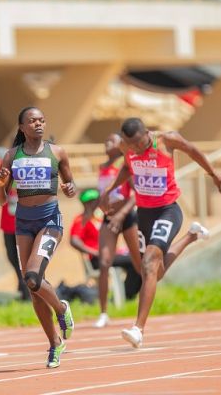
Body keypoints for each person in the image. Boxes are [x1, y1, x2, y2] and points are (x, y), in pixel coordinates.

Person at [101, 117, 221, 348]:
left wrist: (213, 174)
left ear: (147, 133)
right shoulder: (127, 146)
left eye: (138, 143)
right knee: (155, 273)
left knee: (149, 264)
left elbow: (193, 151)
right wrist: (110, 190)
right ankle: (192, 236)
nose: (135, 148)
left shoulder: (167, 140)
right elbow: (127, 167)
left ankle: (138, 329)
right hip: (145, 213)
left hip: (168, 211)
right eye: (130, 145)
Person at [0, 106, 76, 369]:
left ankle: (62, 309)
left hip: (50, 221)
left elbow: (71, 186)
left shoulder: (57, 152)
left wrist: (69, 188)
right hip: (23, 224)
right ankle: (54, 344)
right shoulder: (11, 156)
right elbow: (0, 199)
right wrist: (0, 186)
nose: (38, 124)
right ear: (21, 127)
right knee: (32, 288)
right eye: (32, 121)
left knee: (32, 276)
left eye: (41, 120)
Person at [94, 133, 143, 328]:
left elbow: (135, 194)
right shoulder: (102, 168)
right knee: (104, 262)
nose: (107, 143)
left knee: (139, 263)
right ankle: (104, 313)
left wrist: (121, 215)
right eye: (105, 141)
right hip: (108, 219)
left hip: (127, 217)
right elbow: (103, 195)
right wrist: (101, 207)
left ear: (120, 145)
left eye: (111, 141)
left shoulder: (124, 165)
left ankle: (144, 307)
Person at [69, 188, 141, 305]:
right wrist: (94, 252)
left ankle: (127, 294)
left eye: (96, 200)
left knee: (137, 260)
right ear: (84, 203)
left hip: (112, 255)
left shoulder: (100, 218)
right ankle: (127, 296)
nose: (94, 203)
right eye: (91, 201)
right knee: (134, 261)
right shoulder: (81, 220)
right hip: (98, 259)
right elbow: (74, 241)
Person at [0, 146, 29, 301]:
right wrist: (2, 172)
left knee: (25, 259)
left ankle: (27, 292)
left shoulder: (30, 164)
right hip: (8, 223)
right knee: (12, 256)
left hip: (26, 222)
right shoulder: (4, 164)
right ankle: (22, 287)